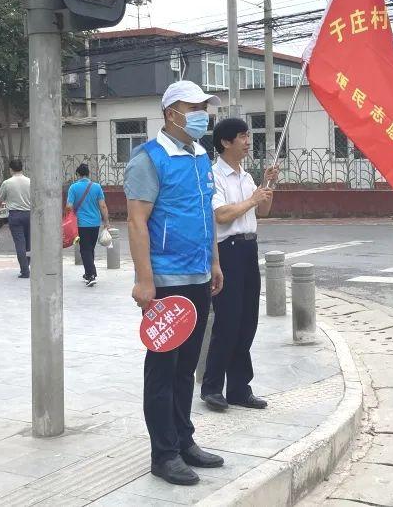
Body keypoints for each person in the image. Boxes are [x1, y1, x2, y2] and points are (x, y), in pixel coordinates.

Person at [125, 80, 225, 486]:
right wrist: (144, 280)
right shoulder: (149, 159)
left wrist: (215, 262)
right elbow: (136, 221)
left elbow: (206, 212)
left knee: (187, 368)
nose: (202, 114)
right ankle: (163, 453)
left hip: (199, 274)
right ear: (171, 113)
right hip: (166, 281)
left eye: (205, 107)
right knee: (163, 369)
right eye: (194, 106)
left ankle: (185, 441)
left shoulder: (201, 155)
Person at [201, 118, 278, 413]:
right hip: (227, 251)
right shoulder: (214, 176)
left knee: (247, 321)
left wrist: (267, 187)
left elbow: (264, 211)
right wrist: (252, 198)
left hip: (248, 248)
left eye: (248, 135)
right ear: (225, 142)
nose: (248, 141)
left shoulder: (246, 176)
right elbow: (221, 215)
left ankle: (238, 388)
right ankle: (211, 387)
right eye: (243, 136)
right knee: (227, 321)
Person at [66, 164, 110, 287]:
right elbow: (103, 205)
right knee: (90, 248)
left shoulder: (73, 188)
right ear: (88, 174)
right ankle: (88, 273)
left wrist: (68, 216)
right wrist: (106, 221)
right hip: (95, 223)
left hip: (81, 224)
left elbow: (69, 206)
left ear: (77, 175)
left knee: (85, 249)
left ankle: (91, 275)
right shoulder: (96, 187)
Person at [0, 159, 31, 278]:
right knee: (29, 243)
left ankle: (25, 271)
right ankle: (27, 265)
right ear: (22, 168)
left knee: (20, 243)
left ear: (10, 169)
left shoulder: (7, 183)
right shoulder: (30, 181)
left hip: (15, 216)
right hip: (29, 215)